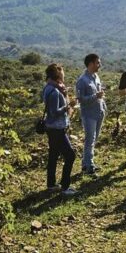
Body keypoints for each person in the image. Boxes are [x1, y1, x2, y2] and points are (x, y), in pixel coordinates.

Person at [42, 63, 77, 196]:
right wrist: (68, 105)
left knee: (53, 155)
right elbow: (54, 112)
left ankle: (51, 185)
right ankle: (65, 187)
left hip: (51, 127)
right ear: (57, 74)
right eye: (62, 72)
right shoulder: (55, 92)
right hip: (57, 128)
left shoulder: (48, 87)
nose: (64, 74)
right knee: (70, 155)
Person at [75, 53, 106, 175]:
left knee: (94, 139)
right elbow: (80, 99)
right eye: (98, 62)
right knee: (90, 140)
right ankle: (89, 167)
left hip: (99, 112)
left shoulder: (96, 77)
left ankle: (86, 163)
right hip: (89, 115)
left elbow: (99, 94)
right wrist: (95, 96)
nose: (100, 65)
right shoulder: (82, 81)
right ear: (91, 64)